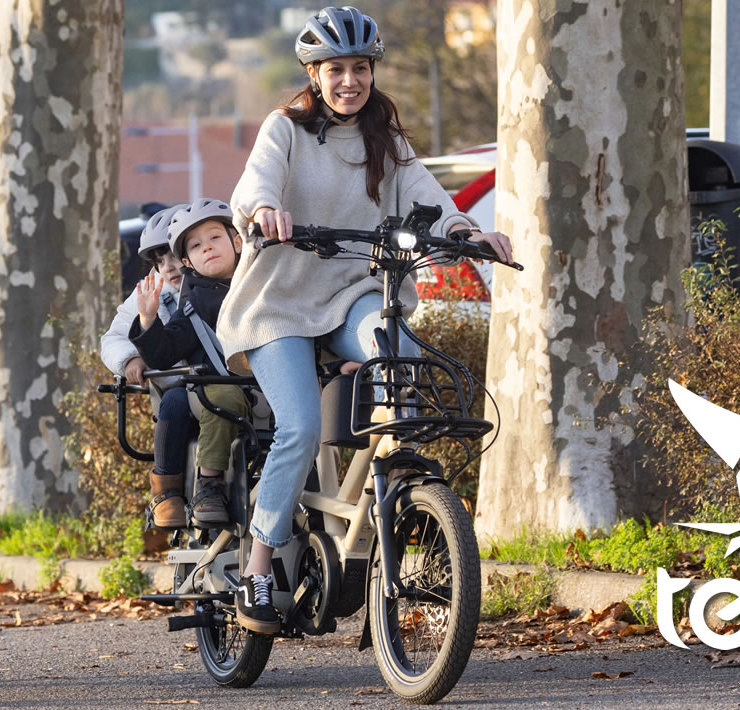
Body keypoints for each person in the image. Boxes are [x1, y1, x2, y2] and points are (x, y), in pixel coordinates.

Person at [216, 6, 515, 634]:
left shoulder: (387, 139)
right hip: (277, 306)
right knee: (297, 425)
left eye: (359, 68)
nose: (348, 80)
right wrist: (266, 210)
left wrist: (467, 231)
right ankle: (258, 570)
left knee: (394, 343)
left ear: (372, 71)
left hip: (349, 292)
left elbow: (431, 199)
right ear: (314, 74)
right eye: (334, 70)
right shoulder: (286, 129)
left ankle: (401, 479)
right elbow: (254, 187)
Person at [130, 198, 250, 528]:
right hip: (220, 388)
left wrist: (337, 363)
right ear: (189, 262)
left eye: (215, 238)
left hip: (274, 382)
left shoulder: (265, 285)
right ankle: (205, 486)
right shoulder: (192, 301)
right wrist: (147, 319)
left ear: (238, 241)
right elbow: (164, 352)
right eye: (196, 246)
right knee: (215, 398)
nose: (207, 248)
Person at [99, 204, 198, 529]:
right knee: (176, 400)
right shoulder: (151, 291)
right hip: (181, 393)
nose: (168, 267)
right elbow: (112, 338)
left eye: (173, 255)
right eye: (159, 261)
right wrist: (131, 358)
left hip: (236, 388)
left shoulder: (223, 281)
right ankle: (166, 492)